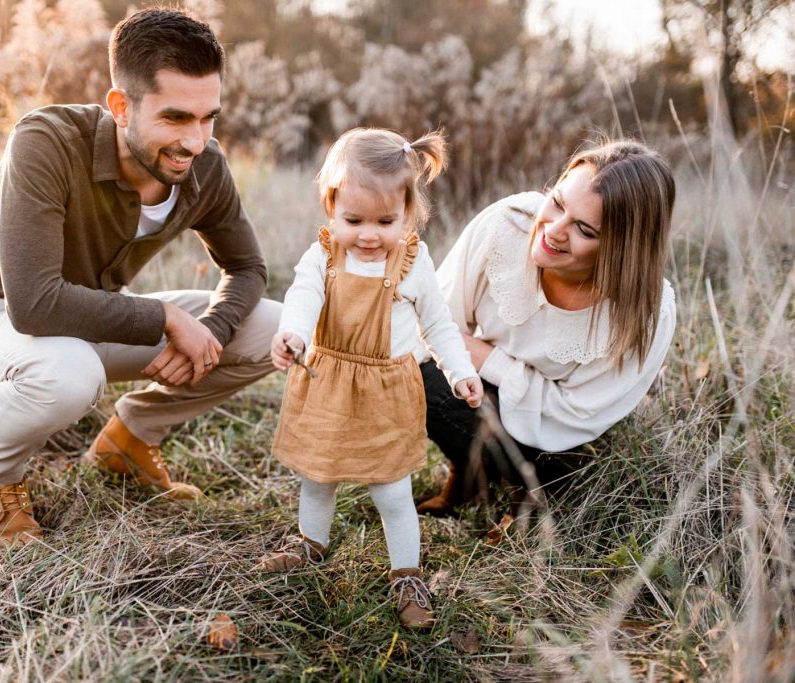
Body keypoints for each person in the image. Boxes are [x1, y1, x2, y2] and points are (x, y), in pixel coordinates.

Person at [0, 8, 280, 549]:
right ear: (121, 107)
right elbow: (33, 304)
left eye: (208, 118)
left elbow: (247, 269)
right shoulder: (46, 141)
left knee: (273, 327)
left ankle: (128, 440)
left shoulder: (205, 166)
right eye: (175, 118)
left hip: (96, 320)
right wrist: (166, 318)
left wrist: (210, 330)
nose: (195, 141)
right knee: (67, 373)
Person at [258, 128, 484, 630]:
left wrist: (460, 371)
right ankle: (311, 543)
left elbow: (438, 325)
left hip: (386, 392)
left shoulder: (412, 262)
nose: (368, 235)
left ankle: (406, 573)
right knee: (318, 475)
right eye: (353, 220)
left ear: (408, 214)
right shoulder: (323, 256)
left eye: (385, 221)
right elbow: (303, 296)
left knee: (391, 490)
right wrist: (293, 334)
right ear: (331, 208)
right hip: (328, 382)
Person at [415, 140, 676, 517]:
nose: (553, 230)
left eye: (584, 229)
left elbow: (576, 415)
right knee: (418, 376)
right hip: (481, 394)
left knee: (559, 476)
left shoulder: (647, 310)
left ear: (622, 248)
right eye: (557, 203)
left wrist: (487, 358)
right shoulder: (505, 226)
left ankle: (536, 494)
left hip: (564, 442)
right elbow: (435, 321)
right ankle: (467, 471)